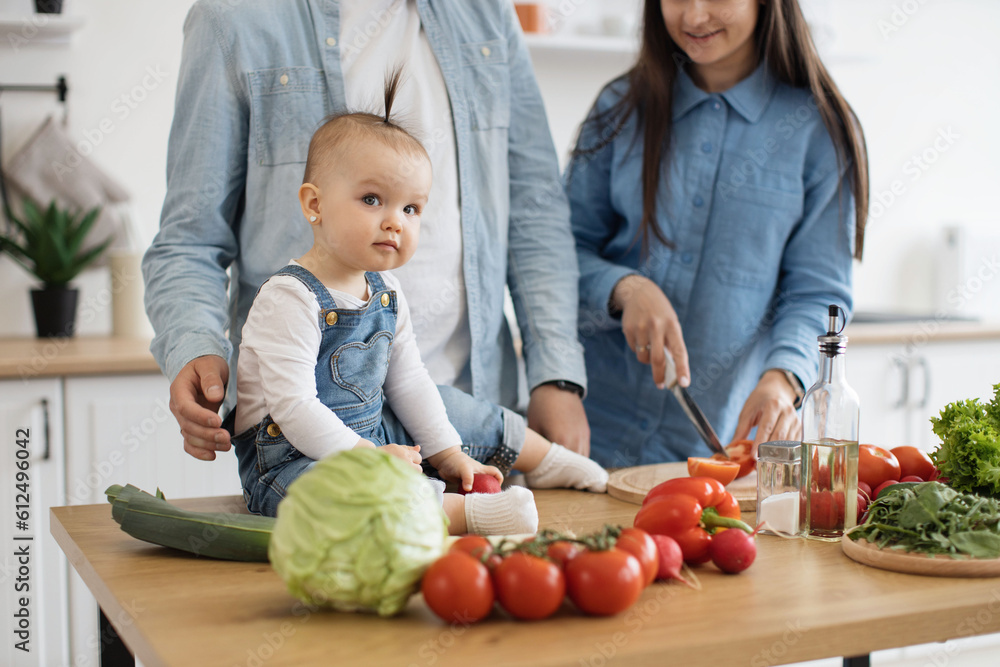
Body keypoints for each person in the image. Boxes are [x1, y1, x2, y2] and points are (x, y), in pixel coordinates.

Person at [143, 0, 591, 464]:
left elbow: (535, 213)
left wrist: (555, 375)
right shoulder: (233, 17)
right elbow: (189, 239)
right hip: (315, 430)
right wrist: (194, 344)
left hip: (466, 409)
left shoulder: (487, 13)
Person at [231, 75, 608, 534]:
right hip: (290, 463)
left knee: (449, 404)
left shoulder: (385, 290)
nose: (395, 222)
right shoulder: (289, 298)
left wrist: (447, 452)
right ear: (315, 204)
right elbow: (294, 407)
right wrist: (370, 461)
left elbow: (408, 380)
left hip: (371, 437)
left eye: (411, 209)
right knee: (334, 501)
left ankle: (547, 459)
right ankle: (461, 515)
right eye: (373, 200)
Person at [565, 0, 869, 468]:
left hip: (716, 458)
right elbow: (560, 253)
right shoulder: (619, 108)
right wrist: (624, 288)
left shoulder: (819, 130)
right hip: (584, 438)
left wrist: (782, 378)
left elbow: (817, 293)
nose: (694, 17)